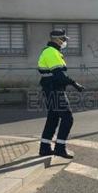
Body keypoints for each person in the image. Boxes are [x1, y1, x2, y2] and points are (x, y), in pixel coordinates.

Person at [37, 29, 84, 159]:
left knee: (53, 118)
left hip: (50, 90)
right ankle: (60, 148)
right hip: (55, 91)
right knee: (68, 118)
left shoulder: (51, 51)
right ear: (56, 39)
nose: (64, 42)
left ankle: (45, 148)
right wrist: (75, 84)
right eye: (63, 39)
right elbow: (60, 75)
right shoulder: (52, 52)